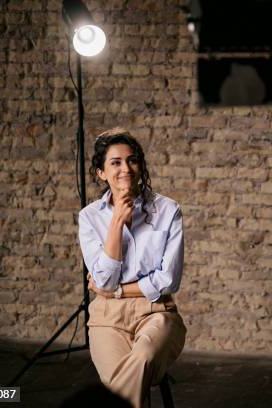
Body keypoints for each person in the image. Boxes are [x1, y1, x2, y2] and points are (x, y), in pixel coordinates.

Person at [78, 128, 186, 408]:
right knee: (129, 385)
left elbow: (167, 280)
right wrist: (116, 222)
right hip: (106, 319)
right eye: (115, 162)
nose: (126, 168)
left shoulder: (168, 210)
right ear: (101, 172)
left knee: (139, 364)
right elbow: (104, 277)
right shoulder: (89, 217)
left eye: (132, 160)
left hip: (157, 312)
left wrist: (115, 292)